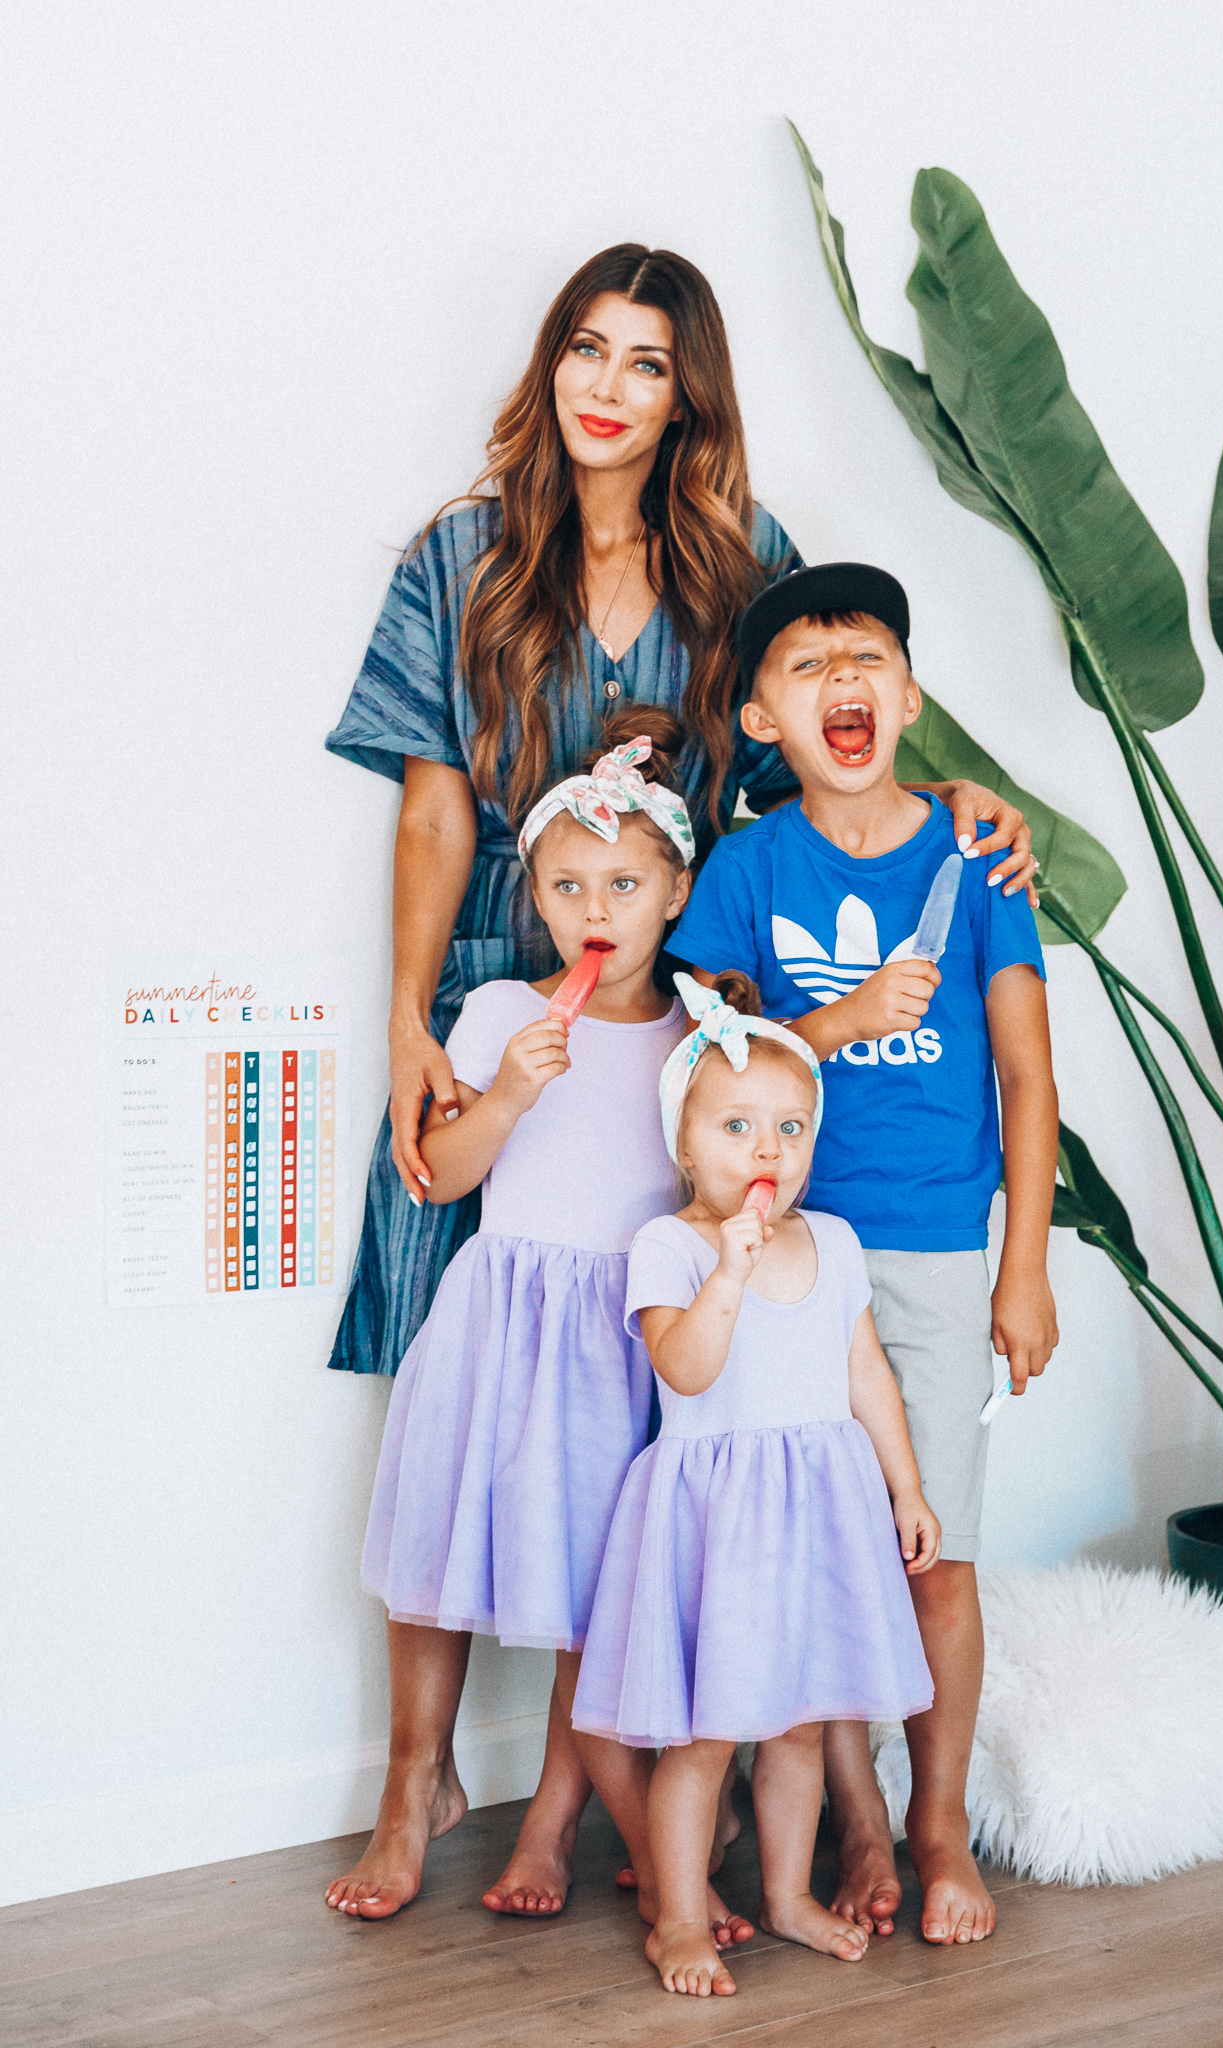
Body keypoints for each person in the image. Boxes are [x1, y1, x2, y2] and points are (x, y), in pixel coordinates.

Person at [324, 241, 1036, 1914]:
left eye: (648, 361)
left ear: (686, 393)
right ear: (552, 363)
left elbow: (824, 717)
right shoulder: (464, 554)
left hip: (684, 1043)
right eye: (587, 346)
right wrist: (415, 1014)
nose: (608, 385)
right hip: (510, 1017)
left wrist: (964, 812)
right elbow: (435, 808)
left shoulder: (742, 561)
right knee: (449, 1429)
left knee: (642, 1430)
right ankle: (415, 1777)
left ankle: (643, 1793)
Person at [667, 562, 1060, 1949]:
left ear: (908, 696)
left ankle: (938, 1825)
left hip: (939, 1249)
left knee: (928, 1549)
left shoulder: (977, 861)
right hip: (784, 1254)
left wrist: (1024, 1266)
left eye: (870, 655)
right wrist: (831, 1026)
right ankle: (854, 1821)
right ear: (764, 719)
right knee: (811, 1543)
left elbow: (1026, 1074)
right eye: (808, 662)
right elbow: (706, 1055)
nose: (845, 678)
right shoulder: (748, 866)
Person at [329, 722, 743, 1945]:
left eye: (622, 884)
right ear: (537, 900)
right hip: (501, 1322)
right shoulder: (501, 1007)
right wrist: (509, 1088)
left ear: (675, 892)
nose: (593, 909)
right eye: (566, 886)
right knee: (430, 1562)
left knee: (584, 1588)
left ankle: (553, 1818)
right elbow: (440, 1179)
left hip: (622, 1335)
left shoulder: (698, 1039)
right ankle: (416, 1782)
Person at [572, 978, 940, 1998]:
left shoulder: (832, 1242)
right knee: (705, 1733)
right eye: (736, 1126)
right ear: (684, 1144)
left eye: (788, 1125)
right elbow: (683, 1370)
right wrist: (725, 1274)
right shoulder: (672, 1245)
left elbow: (866, 1371)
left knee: (802, 1726)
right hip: (716, 1518)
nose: (765, 1149)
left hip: (820, 1511)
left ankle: (784, 1893)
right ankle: (678, 1914)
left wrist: (903, 1487)